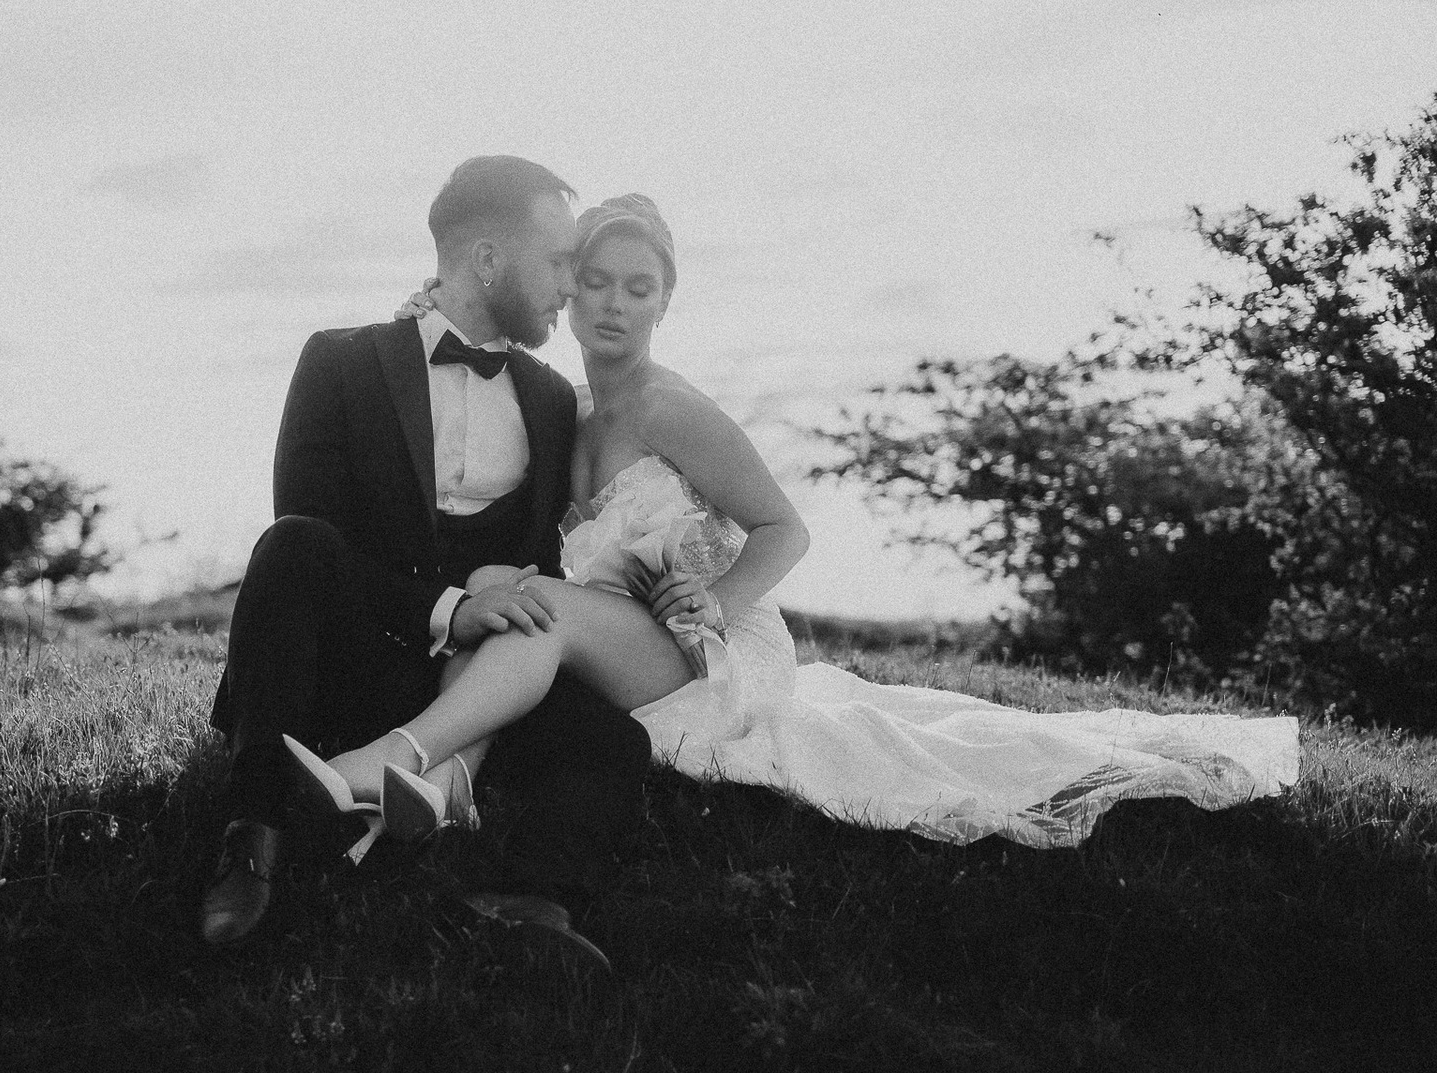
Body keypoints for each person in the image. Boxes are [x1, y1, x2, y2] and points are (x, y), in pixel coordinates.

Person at [292, 193, 1299, 851]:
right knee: (513, 602)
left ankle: (384, 760)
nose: (612, 305)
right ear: (567, 287)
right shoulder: (563, 409)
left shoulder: (672, 408)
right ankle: (443, 791)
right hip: (614, 638)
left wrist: (715, 598)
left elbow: (785, 528)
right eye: (593, 282)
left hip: (700, 645)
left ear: (664, 303)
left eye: (638, 288)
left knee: (537, 606)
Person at [199, 157, 653, 947]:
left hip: (470, 685)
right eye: (557, 263)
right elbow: (310, 550)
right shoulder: (340, 361)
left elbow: (553, 557)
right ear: (488, 259)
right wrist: (450, 609)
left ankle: (531, 904)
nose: (570, 287)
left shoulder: (551, 399)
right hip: (354, 663)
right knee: (292, 544)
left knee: (614, 743)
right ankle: (252, 840)